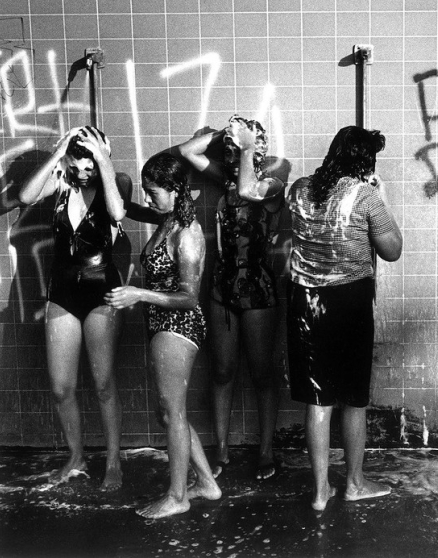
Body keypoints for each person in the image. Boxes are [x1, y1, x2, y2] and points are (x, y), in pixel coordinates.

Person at [287, 126, 402, 511]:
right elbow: (392, 250)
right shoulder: (365, 195)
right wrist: (381, 195)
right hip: (349, 302)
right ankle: (353, 483)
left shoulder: (300, 189)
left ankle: (320, 492)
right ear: (366, 162)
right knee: (352, 399)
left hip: (304, 302)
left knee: (318, 400)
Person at [105, 153, 221, 518]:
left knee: (172, 412)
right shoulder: (168, 218)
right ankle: (205, 482)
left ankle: (177, 496)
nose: (148, 198)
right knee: (170, 411)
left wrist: (138, 294)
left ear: (174, 190)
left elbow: (189, 297)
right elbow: (125, 210)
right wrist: (105, 164)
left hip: (179, 324)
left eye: (153, 192)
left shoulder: (188, 233)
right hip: (161, 322)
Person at [18, 126, 129, 490]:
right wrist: (57, 153)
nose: (83, 174)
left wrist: (104, 162)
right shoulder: (61, 183)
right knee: (61, 387)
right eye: (76, 166)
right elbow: (24, 195)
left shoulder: (116, 181)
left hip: (102, 292)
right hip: (62, 292)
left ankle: (113, 460)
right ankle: (77, 455)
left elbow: (116, 212)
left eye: (90, 167)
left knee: (103, 384)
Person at [177, 115, 287, 480]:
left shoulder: (272, 184)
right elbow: (186, 152)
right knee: (222, 370)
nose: (233, 152)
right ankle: (222, 450)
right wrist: (223, 133)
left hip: (258, 285)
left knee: (261, 373)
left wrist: (247, 145)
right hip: (223, 286)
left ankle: (266, 451)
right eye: (232, 148)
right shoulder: (225, 179)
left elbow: (246, 191)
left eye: (239, 147)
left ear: (259, 149)